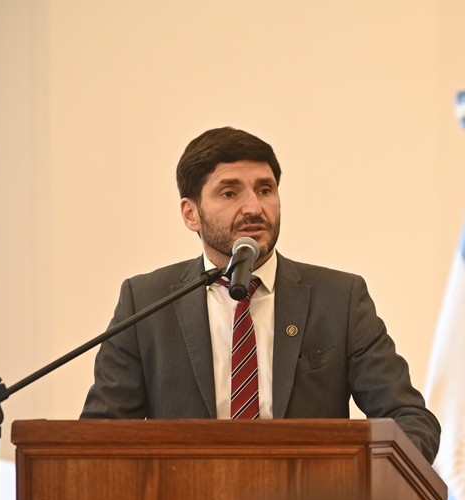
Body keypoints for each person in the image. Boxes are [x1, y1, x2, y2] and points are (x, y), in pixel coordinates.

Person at [80, 126, 440, 463]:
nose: (254, 207)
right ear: (191, 214)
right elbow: (98, 438)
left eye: (265, 190)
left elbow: (410, 419)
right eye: (229, 193)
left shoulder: (339, 299)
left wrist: (357, 484)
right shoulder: (146, 303)